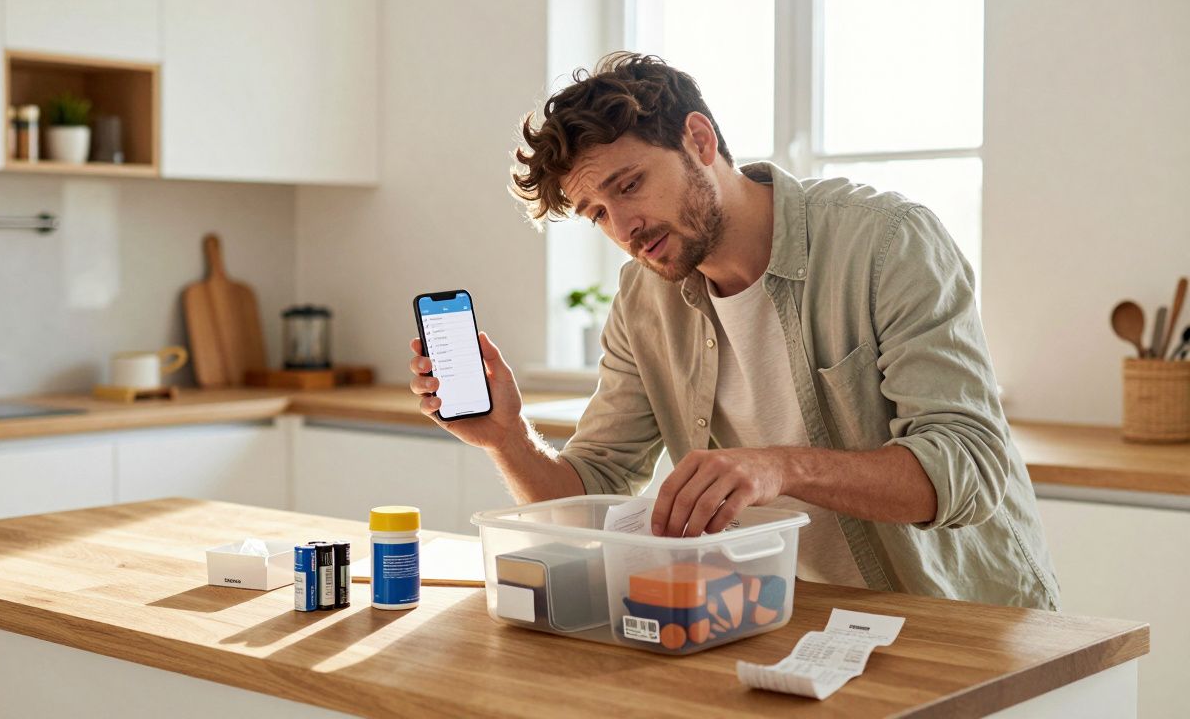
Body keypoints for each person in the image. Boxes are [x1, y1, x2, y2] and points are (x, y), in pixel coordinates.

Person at [408, 52, 1058, 609]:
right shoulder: (644, 300)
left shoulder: (885, 241)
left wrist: (777, 469)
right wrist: (509, 439)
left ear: (699, 139)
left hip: (962, 622)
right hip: (789, 619)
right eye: (597, 213)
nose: (624, 226)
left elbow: (968, 466)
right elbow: (596, 486)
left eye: (630, 184)